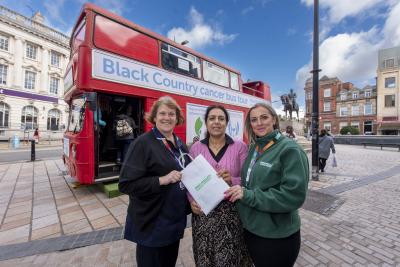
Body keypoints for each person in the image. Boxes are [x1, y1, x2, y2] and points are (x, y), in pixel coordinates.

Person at [225, 103, 309, 267]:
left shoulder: (290, 150)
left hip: (276, 237)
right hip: (252, 231)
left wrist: (248, 195)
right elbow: (249, 183)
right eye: (254, 120)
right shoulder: (254, 148)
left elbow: (293, 196)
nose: (259, 123)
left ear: (274, 120)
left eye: (264, 117)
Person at [118, 96, 191, 267]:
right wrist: (162, 180)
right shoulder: (142, 143)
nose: (167, 117)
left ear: (177, 118)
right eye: (162, 113)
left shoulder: (179, 143)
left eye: (171, 114)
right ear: (155, 117)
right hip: (152, 223)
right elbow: (126, 184)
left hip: (173, 222)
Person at [189, 105, 252, 267]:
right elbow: (190, 180)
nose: (216, 122)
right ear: (206, 123)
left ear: (226, 123)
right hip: (204, 214)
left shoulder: (240, 147)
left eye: (221, 118)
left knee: (231, 259)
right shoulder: (196, 148)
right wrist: (191, 201)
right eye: (212, 118)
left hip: (232, 214)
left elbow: (248, 180)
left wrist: (232, 180)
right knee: (205, 259)